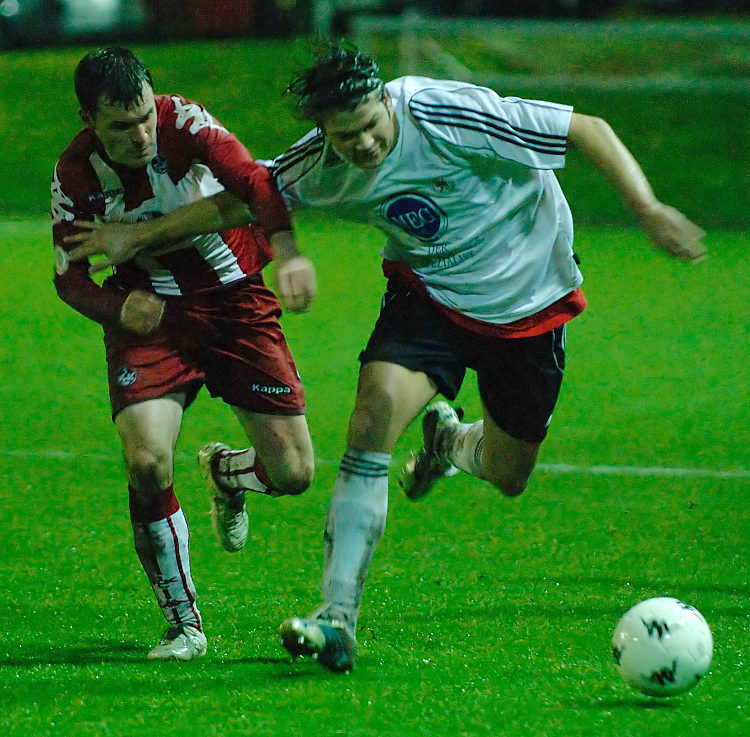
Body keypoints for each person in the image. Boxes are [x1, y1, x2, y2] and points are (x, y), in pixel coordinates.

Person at [63, 44, 706, 673]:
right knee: (368, 421)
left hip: (530, 305)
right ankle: (336, 619)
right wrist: (140, 237)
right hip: (428, 299)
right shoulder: (323, 163)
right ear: (325, 131)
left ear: (386, 101)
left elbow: (587, 128)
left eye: (371, 126)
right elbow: (241, 199)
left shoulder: (447, 113)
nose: (364, 146)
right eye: (345, 137)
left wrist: (647, 209)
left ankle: (450, 444)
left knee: (508, 472)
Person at [51, 47, 317, 661]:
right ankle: (183, 625)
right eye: (121, 125)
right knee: (146, 463)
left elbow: (254, 181)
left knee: (295, 475)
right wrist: (117, 310)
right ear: (89, 118)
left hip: (237, 304)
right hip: (151, 320)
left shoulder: (188, 124)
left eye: (145, 115)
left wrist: (289, 251)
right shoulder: (76, 175)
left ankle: (227, 472)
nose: (141, 133)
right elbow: (68, 276)